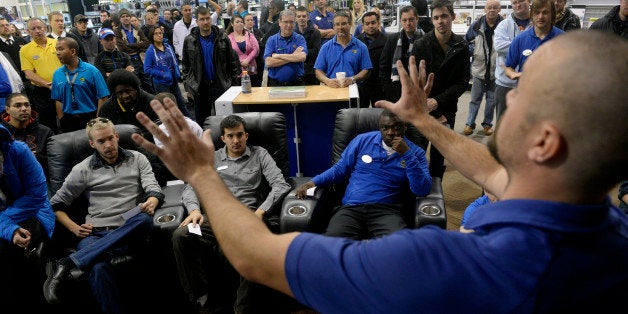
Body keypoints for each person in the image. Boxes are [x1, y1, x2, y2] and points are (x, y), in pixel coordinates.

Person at [133, 30, 628, 314]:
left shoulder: (443, 263)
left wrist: (200, 173)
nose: (509, 94)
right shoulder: (607, 230)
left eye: (525, 92)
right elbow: (498, 176)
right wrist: (423, 121)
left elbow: (255, 257)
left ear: (545, 143)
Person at [170, 114, 291, 313]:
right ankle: (202, 300)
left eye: (239, 135)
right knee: (181, 236)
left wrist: (261, 211)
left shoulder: (260, 154)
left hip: (247, 217)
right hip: (215, 219)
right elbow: (192, 187)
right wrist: (194, 210)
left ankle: (242, 309)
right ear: (223, 139)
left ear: (246, 135)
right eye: (230, 136)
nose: (236, 140)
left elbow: (280, 184)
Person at [43, 117, 163, 312]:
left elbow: (153, 188)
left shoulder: (137, 158)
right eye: (101, 141)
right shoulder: (82, 169)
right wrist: (74, 227)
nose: (108, 145)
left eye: (110, 138)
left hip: (130, 228)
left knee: (143, 219)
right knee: (97, 268)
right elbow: (55, 204)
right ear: (92, 144)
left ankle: (67, 262)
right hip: (96, 234)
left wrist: (153, 200)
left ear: (116, 136)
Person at [295, 110, 431, 239]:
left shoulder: (415, 153)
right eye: (385, 128)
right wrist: (313, 182)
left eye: (396, 127)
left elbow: (422, 189)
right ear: (380, 128)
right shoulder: (362, 140)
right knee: (331, 245)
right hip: (352, 207)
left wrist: (407, 155)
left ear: (405, 126)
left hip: (387, 210)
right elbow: (339, 169)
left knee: (399, 246)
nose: (390, 133)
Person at [410, 0, 470, 178]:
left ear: (452, 16)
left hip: (447, 110)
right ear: (432, 20)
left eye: (444, 16)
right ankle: (414, 195)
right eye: (436, 17)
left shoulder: (461, 47)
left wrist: (438, 103)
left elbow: (462, 82)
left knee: (438, 159)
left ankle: (435, 197)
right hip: (422, 111)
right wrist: (434, 111)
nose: (440, 21)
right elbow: (415, 82)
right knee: (417, 155)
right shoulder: (421, 45)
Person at [0, 122, 54, 308]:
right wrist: (8, 228)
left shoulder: (19, 151)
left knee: (8, 246)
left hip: (34, 210)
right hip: (4, 217)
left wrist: (8, 226)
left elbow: (37, 195)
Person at [181, 6, 240, 125]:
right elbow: (185, 66)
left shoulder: (222, 38)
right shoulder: (189, 40)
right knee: (203, 123)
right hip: (200, 87)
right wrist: (189, 86)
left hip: (221, 85)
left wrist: (232, 84)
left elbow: (233, 62)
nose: (206, 22)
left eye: (208, 18)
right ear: (196, 21)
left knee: (226, 121)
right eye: (202, 19)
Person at [52, 37, 109, 133]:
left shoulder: (91, 71)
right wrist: (62, 119)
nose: (57, 53)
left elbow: (103, 97)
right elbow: (58, 99)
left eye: (61, 49)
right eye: (56, 49)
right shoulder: (57, 74)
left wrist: (98, 119)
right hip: (68, 120)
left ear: (73, 51)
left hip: (90, 118)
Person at [462, 0, 502, 136]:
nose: (492, 10)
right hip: (479, 69)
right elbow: (466, 42)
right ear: (485, 9)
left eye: (495, 8)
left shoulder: (503, 25)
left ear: (499, 9)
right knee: (474, 99)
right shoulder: (476, 25)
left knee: (491, 101)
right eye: (489, 7)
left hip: (496, 71)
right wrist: (473, 50)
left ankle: (487, 124)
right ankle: (469, 124)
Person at [19, 18, 62, 133]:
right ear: (28, 32)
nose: (37, 31)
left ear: (45, 28)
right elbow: (29, 74)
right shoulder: (25, 50)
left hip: (63, 88)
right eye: (33, 28)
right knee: (48, 124)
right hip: (42, 92)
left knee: (66, 119)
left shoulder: (57, 43)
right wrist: (48, 85)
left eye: (40, 27)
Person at [504, 0, 564, 81]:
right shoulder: (520, 39)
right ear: (531, 15)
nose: (540, 17)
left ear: (552, 14)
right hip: (526, 91)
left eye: (545, 12)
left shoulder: (564, 39)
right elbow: (508, 67)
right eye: (537, 13)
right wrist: (513, 74)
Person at [493, 0, 531, 120]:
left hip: (529, 83)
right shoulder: (503, 25)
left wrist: (513, 46)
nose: (518, 5)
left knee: (526, 122)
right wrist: (527, 45)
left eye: (521, 1)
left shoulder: (537, 24)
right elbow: (499, 47)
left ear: (529, 1)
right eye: (514, 2)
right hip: (505, 83)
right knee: (502, 121)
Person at [314, 11, 371, 88]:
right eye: (337, 24)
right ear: (333, 27)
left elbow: (366, 70)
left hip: (354, 90)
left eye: (343, 24)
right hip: (332, 90)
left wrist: (352, 79)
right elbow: (318, 71)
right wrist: (327, 81)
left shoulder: (361, 47)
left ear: (350, 24)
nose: (340, 27)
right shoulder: (325, 47)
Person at [380, 6, 425, 103]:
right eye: (404, 20)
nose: (408, 23)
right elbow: (384, 65)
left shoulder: (425, 40)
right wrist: (387, 88)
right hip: (395, 90)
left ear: (417, 19)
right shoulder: (393, 39)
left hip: (418, 89)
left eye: (411, 19)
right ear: (400, 21)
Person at [1, 93, 53, 175]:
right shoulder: (2, 132)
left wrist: (35, 157)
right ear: (7, 109)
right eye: (18, 105)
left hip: (39, 176)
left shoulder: (45, 131)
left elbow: (56, 162)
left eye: (27, 105)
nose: (24, 109)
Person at [143, 26, 190, 117]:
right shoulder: (150, 51)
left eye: (160, 33)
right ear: (152, 36)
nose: (159, 35)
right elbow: (147, 69)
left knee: (180, 103)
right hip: (161, 83)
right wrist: (162, 74)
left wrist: (177, 71)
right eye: (156, 34)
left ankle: (190, 121)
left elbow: (174, 60)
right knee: (168, 106)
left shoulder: (168, 46)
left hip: (173, 80)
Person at [263, 10, 306, 87]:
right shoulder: (271, 40)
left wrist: (278, 56)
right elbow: (269, 63)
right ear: (279, 22)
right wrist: (293, 56)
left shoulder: (299, 38)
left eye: (291, 22)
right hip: (276, 84)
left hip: (297, 83)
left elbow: (302, 57)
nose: (289, 25)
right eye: (285, 22)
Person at [115, 8, 153, 94]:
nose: (126, 18)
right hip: (128, 61)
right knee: (136, 85)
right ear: (120, 19)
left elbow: (147, 43)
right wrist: (139, 45)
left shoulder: (137, 29)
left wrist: (130, 45)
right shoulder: (117, 31)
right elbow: (122, 48)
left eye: (127, 16)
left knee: (148, 84)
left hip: (141, 59)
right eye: (123, 16)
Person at [356, 11, 386, 108]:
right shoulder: (356, 42)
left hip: (379, 85)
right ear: (363, 26)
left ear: (378, 23)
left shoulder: (387, 41)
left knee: (380, 116)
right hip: (361, 84)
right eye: (367, 24)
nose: (370, 26)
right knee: (360, 114)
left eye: (373, 23)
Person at [227, 14, 260, 86]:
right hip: (238, 73)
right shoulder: (228, 38)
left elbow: (256, 49)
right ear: (232, 24)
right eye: (237, 22)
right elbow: (228, 55)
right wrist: (240, 63)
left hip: (251, 70)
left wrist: (247, 60)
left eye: (241, 22)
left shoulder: (249, 35)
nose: (240, 23)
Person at [294, 6, 321, 85]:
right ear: (295, 18)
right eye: (299, 16)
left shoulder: (316, 33)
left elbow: (316, 52)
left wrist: (298, 54)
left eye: (304, 16)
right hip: (296, 71)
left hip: (312, 71)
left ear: (308, 17)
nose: (301, 18)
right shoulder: (292, 34)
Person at [244, 13, 265, 87]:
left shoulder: (257, 31)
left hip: (259, 62)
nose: (250, 21)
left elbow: (263, 44)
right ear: (244, 22)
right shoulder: (242, 34)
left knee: (259, 83)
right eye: (248, 20)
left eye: (251, 20)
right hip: (248, 63)